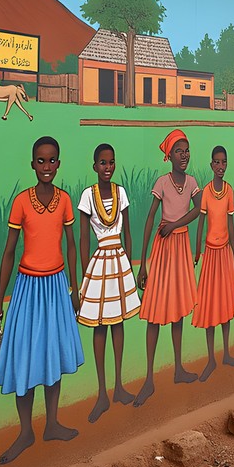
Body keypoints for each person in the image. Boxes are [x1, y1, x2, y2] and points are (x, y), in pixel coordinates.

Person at [0, 136, 83, 463]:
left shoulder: (65, 200)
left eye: (52, 160)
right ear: (32, 164)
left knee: (52, 354)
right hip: (28, 286)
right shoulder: (21, 202)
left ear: (59, 163)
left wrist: (75, 288)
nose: (46, 166)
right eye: (40, 161)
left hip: (56, 285)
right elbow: (9, 252)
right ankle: (26, 431)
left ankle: (52, 422)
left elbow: (71, 245)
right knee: (26, 358)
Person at [134, 130, 202, 406]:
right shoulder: (162, 182)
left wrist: (175, 224)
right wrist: (142, 262)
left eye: (186, 151)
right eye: (179, 151)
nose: (184, 156)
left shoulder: (192, 182)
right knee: (155, 311)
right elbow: (151, 217)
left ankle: (178, 369)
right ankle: (149, 378)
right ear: (169, 155)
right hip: (163, 249)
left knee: (177, 312)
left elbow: (199, 209)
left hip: (180, 244)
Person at [76, 143, 140, 422]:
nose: (108, 167)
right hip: (100, 259)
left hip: (119, 261)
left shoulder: (121, 192)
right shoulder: (87, 196)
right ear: (94, 166)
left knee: (118, 323)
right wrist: (82, 275)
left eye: (111, 162)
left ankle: (118, 387)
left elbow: (127, 229)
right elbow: (82, 238)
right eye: (103, 163)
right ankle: (102, 393)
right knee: (100, 325)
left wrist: (130, 260)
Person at [192, 145, 234, 375]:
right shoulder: (206, 192)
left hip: (224, 253)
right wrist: (197, 249)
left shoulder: (230, 191)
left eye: (224, 162)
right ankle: (211, 358)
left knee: (224, 303)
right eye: (217, 162)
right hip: (211, 253)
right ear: (211, 165)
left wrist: (233, 250)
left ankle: (226, 353)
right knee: (209, 304)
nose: (220, 166)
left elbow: (230, 223)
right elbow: (201, 222)